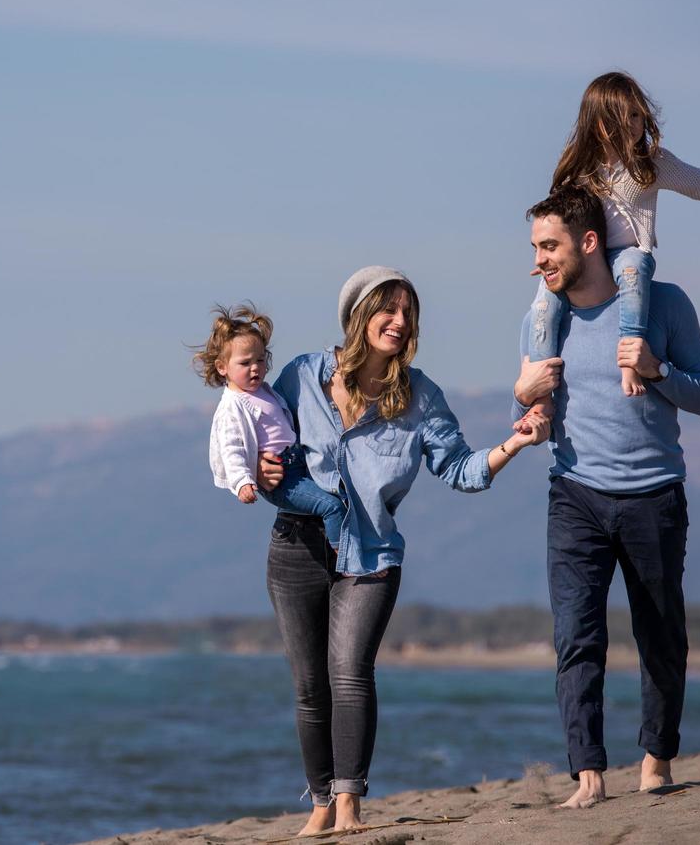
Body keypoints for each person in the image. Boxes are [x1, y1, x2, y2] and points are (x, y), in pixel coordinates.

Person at [257, 267, 549, 835]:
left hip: (370, 555)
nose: (398, 320)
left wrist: (516, 440)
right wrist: (262, 468)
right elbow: (265, 443)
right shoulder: (301, 377)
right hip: (296, 545)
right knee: (310, 685)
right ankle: (319, 803)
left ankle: (348, 806)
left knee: (349, 671)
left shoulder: (420, 396)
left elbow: (460, 469)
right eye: (387, 308)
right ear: (357, 316)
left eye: (407, 311)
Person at [514, 188, 700, 809]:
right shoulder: (540, 320)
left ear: (587, 242)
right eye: (533, 248)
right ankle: (589, 776)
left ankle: (656, 760)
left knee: (660, 633)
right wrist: (523, 398)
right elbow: (533, 415)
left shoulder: (665, 304)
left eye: (548, 246)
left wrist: (657, 370)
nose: (538, 262)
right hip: (574, 495)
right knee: (576, 637)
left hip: (654, 495)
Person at [526, 71, 700, 409]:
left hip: (628, 250)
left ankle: (630, 358)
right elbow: (558, 219)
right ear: (598, 123)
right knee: (543, 307)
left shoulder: (651, 164)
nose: (633, 123)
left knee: (633, 270)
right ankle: (540, 395)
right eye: (623, 116)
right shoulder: (579, 166)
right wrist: (552, 261)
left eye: (637, 114)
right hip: (585, 256)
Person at [196, 304, 346, 546]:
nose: (255, 368)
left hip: (298, 462)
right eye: (245, 363)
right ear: (222, 367)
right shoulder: (232, 407)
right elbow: (231, 448)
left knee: (343, 494)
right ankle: (346, 559)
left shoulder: (265, 391)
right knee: (331, 507)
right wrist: (243, 481)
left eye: (260, 360)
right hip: (281, 477)